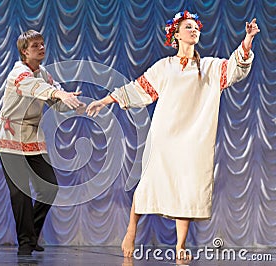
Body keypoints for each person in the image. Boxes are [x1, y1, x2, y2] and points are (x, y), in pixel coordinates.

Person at [86, 10, 260, 260]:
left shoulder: (210, 67)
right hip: (165, 136)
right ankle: (131, 231)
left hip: (194, 139)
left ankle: (180, 245)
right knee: (148, 183)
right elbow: (138, 89)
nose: (193, 30)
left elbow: (235, 68)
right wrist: (105, 101)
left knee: (187, 189)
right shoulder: (165, 67)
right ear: (175, 35)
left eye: (195, 27)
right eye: (187, 27)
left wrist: (248, 40)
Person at [0, 29, 84, 256]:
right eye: (35, 46)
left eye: (42, 44)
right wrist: (57, 94)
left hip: (32, 136)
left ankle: (31, 234)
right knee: (20, 192)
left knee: (48, 186)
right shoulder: (19, 73)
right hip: (10, 137)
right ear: (24, 51)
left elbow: (55, 97)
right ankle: (26, 243)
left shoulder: (44, 74)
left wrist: (73, 103)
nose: (41, 48)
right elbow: (36, 89)